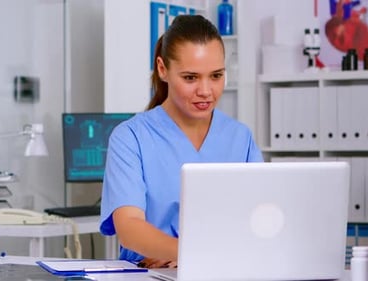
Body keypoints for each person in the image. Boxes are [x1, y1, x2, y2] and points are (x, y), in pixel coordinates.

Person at [99, 14, 263, 268]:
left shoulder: (240, 138)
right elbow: (129, 227)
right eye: (190, 78)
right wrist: (185, 252)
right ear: (163, 69)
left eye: (216, 76)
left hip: (225, 270)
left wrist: (194, 256)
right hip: (150, 274)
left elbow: (259, 218)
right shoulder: (131, 138)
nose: (206, 91)